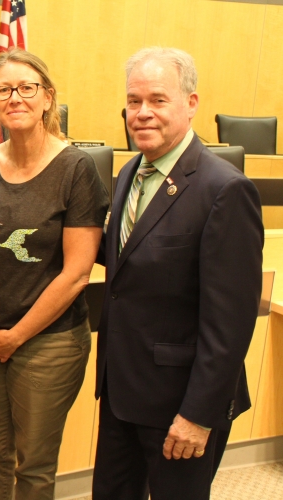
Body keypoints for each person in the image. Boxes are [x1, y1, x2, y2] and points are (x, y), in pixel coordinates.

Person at [92, 47, 264, 500]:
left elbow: (229, 324)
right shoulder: (130, 171)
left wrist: (198, 415)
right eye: (133, 101)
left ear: (191, 104)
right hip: (121, 393)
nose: (142, 113)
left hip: (180, 408)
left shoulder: (225, 190)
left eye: (157, 99)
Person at [0, 48, 109, 499]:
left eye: (26, 88)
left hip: (49, 342)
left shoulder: (76, 169)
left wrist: (16, 336)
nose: (15, 97)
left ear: (47, 99)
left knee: (34, 465)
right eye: (4, 89)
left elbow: (77, 273)